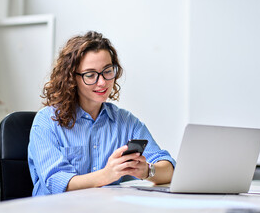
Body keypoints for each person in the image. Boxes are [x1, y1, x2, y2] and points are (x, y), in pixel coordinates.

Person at [28, 31, 175, 196]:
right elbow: (56, 182)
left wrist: (148, 171)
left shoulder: (126, 122)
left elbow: (169, 168)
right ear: (71, 78)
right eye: (90, 75)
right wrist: (107, 174)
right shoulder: (46, 121)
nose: (103, 82)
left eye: (107, 71)